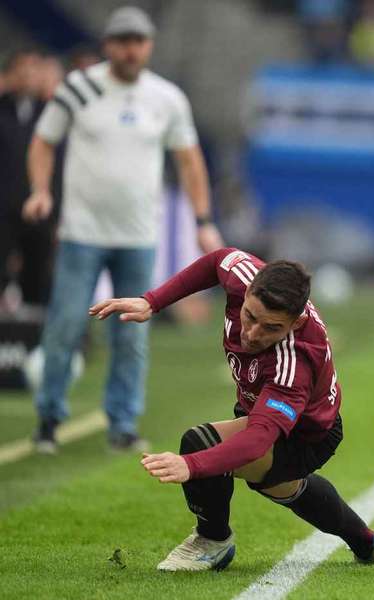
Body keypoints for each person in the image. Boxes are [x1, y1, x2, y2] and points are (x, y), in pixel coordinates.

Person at [89, 247, 374, 571]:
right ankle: (366, 542)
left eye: (271, 327)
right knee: (285, 488)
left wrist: (192, 465)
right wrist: (152, 301)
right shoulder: (243, 276)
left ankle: (213, 540)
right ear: (249, 290)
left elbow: (257, 439)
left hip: (306, 435)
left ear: (296, 323)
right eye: (250, 316)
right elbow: (217, 261)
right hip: (260, 408)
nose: (252, 334)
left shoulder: (294, 364)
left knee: (202, 443)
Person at [22, 6, 224, 452]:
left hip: (137, 236)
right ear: (109, 45)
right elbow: (43, 140)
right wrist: (41, 189)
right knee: (65, 326)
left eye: (138, 42)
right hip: (82, 232)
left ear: (148, 46)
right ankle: (49, 419)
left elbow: (189, 159)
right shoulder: (80, 88)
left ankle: (123, 424)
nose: (130, 50)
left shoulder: (167, 97)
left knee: (131, 334)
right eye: (122, 42)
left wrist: (203, 220)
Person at [0, 49, 55, 315]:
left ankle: (32, 342)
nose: (27, 75)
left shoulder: (51, 114)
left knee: (36, 277)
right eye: (21, 68)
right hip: (3, 210)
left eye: (33, 68)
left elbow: (61, 164)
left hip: (39, 211)